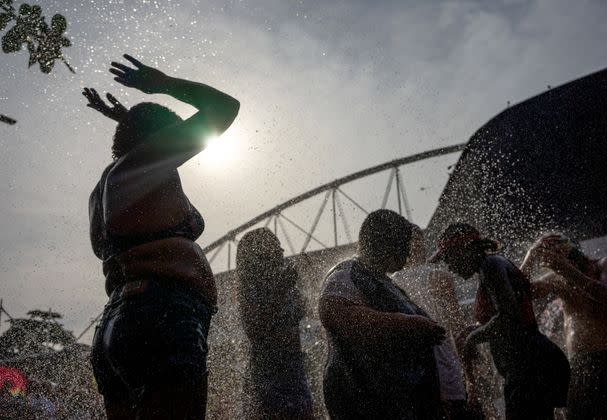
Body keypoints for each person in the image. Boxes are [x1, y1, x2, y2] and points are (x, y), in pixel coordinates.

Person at [86, 54, 239, 419]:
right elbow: (224, 107)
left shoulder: (105, 188)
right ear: (158, 138)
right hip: (161, 318)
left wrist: (127, 120)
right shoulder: (144, 163)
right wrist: (162, 83)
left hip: (116, 328)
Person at [430, 223, 569, 420]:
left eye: (448, 258)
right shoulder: (492, 266)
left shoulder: (491, 266)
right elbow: (509, 315)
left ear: (464, 249)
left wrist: (473, 338)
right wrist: (477, 328)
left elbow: (509, 316)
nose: (449, 267)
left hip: (529, 368)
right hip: (529, 366)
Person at [319, 209, 445, 420]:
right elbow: (333, 312)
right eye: (404, 244)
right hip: (365, 402)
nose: (408, 254)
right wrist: (409, 324)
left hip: (398, 402)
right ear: (386, 243)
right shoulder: (348, 272)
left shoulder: (384, 281)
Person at [522, 234, 607, 420]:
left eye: (555, 257)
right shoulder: (558, 279)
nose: (551, 263)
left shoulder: (605, 265)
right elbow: (519, 292)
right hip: (579, 365)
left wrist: (565, 269)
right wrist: (531, 256)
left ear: (570, 252)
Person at [393, 226, 486, 420]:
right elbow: (459, 330)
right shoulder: (439, 277)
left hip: (412, 374)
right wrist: (472, 376)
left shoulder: (390, 284)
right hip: (445, 368)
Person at [236, 228, 314, 419]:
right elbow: (256, 331)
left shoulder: (285, 285)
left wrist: (306, 282)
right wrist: (281, 290)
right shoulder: (250, 291)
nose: (282, 251)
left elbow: (304, 312)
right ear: (259, 255)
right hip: (268, 379)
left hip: (294, 371)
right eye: (275, 247)